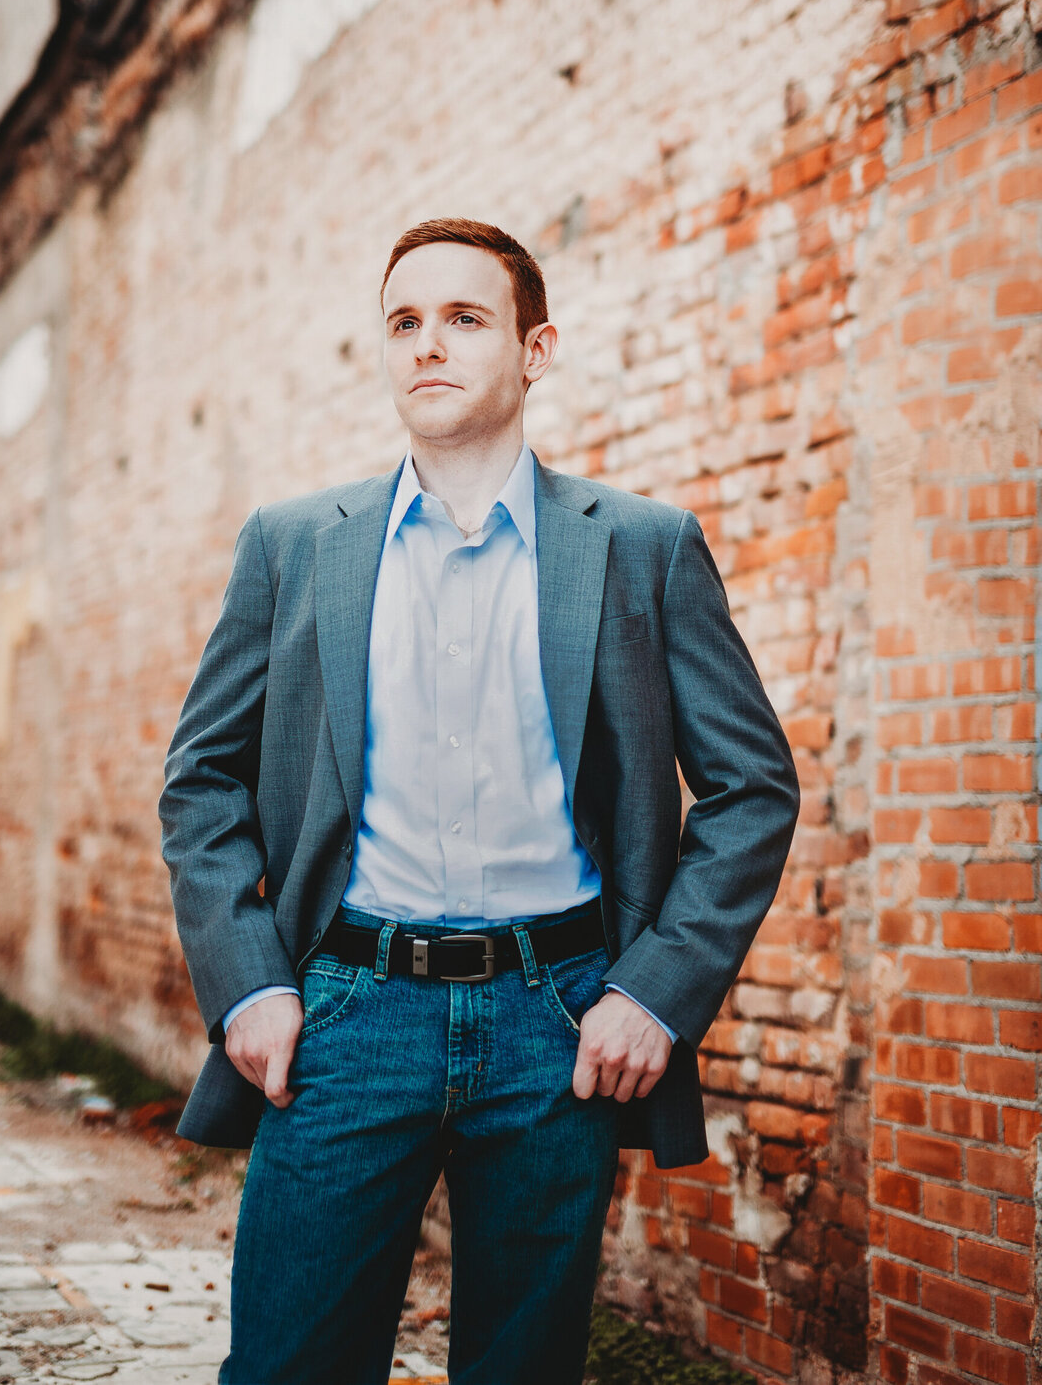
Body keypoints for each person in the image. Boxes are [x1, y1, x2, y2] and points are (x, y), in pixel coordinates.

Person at [160, 218, 799, 1385]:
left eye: (464, 318)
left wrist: (656, 993)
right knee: (288, 1364)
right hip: (347, 1015)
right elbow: (200, 780)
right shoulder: (296, 546)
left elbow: (754, 787)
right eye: (404, 322)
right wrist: (248, 979)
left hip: (558, 1024)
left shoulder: (645, 550)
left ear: (535, 347)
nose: (427, 346)